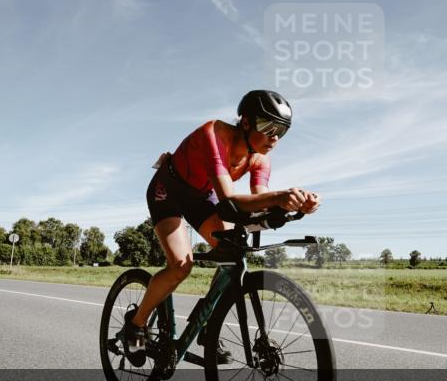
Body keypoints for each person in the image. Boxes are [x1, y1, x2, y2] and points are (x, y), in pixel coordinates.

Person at [125, 90, 320, 362]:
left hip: (203, 197)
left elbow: (256, 200)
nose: (274, 137)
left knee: (232, 252)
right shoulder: (213, 134)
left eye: (282, 131)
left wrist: (294, 205)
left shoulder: (261, 158)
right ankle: (136, 324)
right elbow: (229, 200)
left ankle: (207, 324)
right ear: (246, 122)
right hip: (169, 190)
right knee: (181, 265)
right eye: (268, 127)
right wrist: (279, 197)